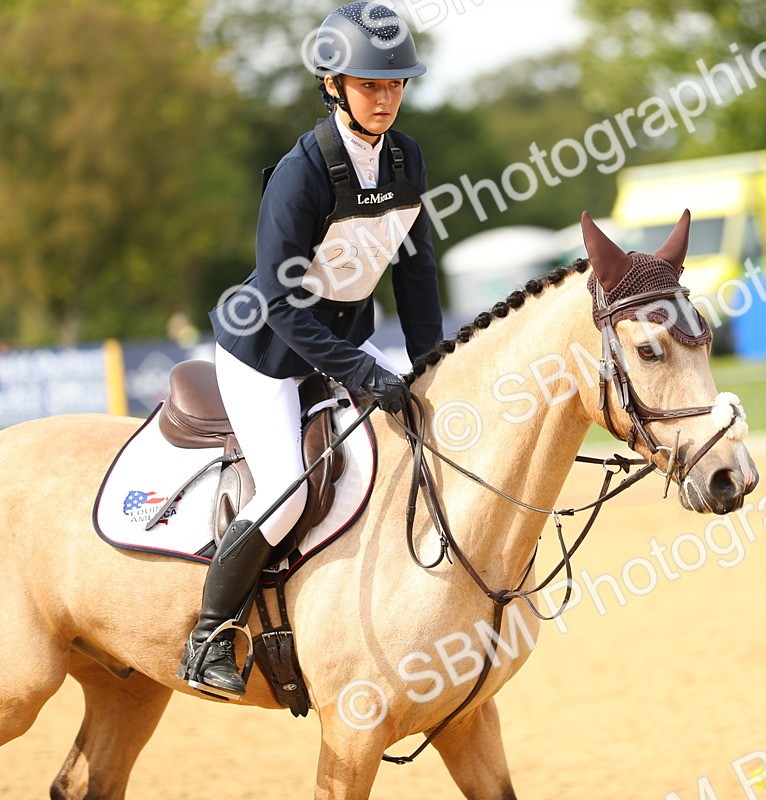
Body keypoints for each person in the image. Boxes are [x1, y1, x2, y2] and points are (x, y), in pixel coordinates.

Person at [179, 1, 443, 699]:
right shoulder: (302, 173)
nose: (384, 98)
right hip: (265, 354)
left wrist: (431, 365)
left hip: (340, 347)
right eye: (369, 84)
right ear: (333, 85)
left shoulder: (406, 157)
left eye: (394, 85)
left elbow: (415, 270)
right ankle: (208, 635)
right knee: (288, 492)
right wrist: (361, 371)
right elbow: (279, 299)